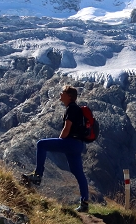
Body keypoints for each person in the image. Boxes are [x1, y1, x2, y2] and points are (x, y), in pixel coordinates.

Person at [22, 84, 90, 212]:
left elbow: (67, 128)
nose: (60, 94)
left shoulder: (71, 108)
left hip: (70, 142)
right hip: (78, 145)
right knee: (78, 173)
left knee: (41, 144)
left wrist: (60, 141)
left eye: (62, 92)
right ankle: (84, 203)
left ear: (69, 96)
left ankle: (37, 175)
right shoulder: (76, 109)